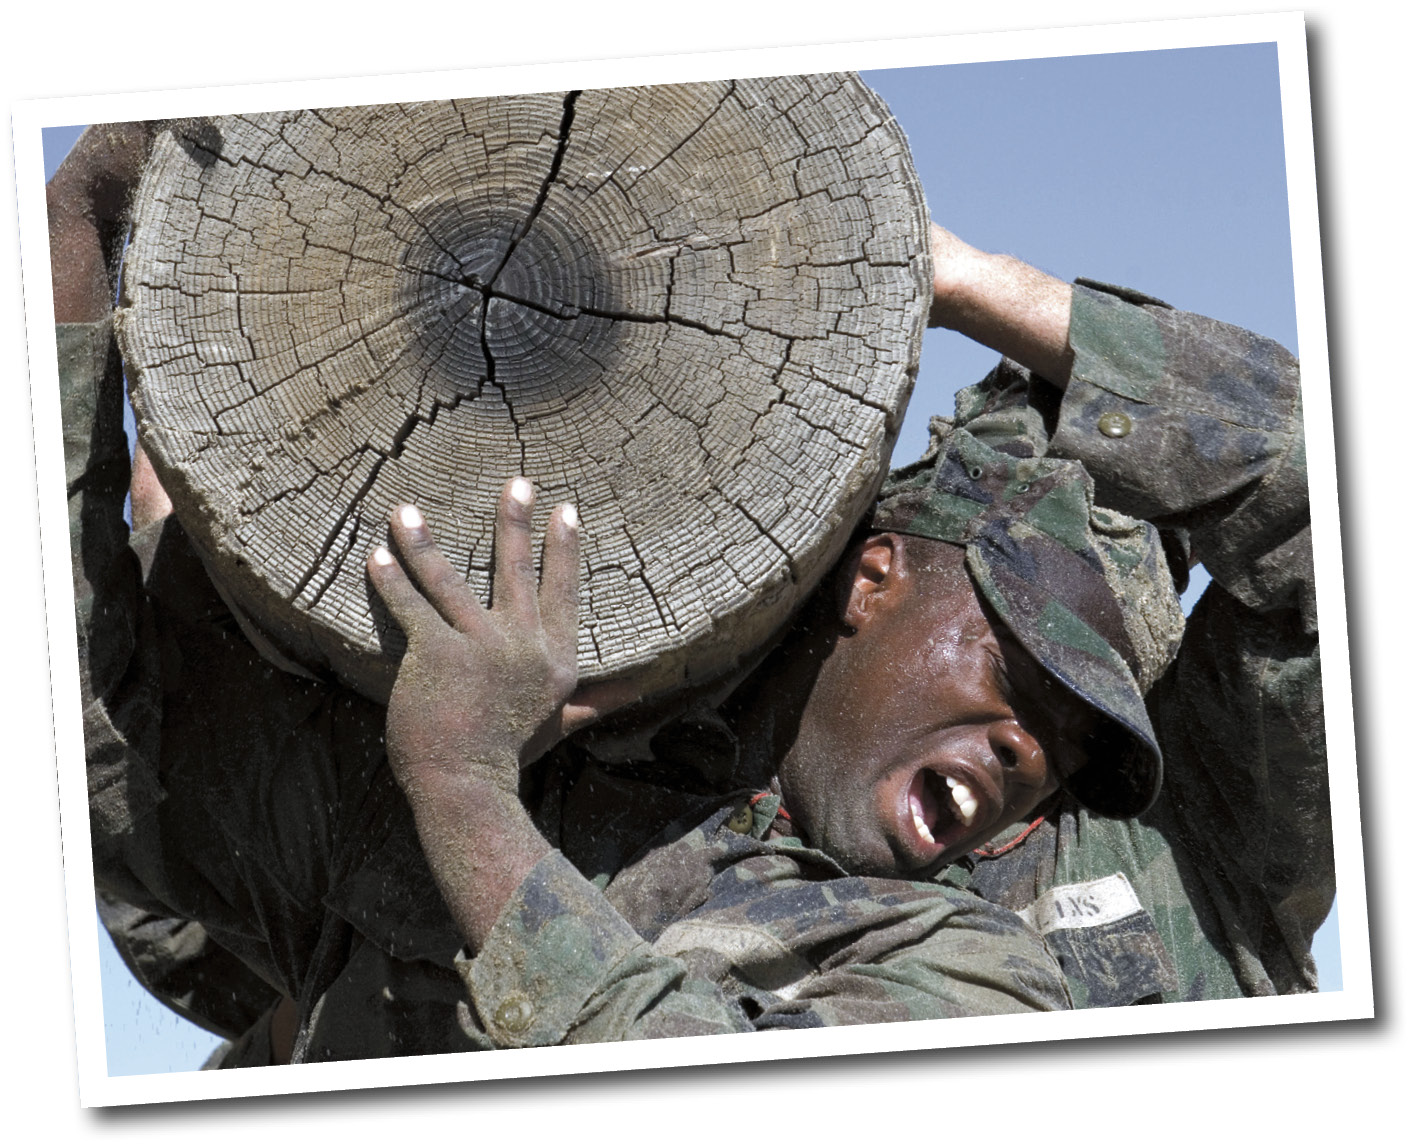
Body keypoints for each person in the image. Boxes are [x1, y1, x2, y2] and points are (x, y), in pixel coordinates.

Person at [51, 115, 1328, 1063]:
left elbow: (1329, 504)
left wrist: (466, 794)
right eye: (1025, 666)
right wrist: (71, 224)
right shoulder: (545, 789)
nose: (1027, 759)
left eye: (1076, 749)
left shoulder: (1166, 846)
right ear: (870, 577)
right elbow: (101, 725)